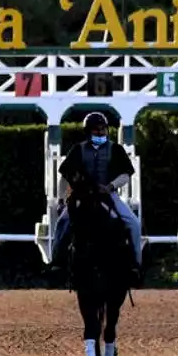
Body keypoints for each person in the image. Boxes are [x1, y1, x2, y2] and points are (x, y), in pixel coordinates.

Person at [52, 112, 143, 275]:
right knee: (62, 222)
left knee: (134, 223)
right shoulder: (78, 150)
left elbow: (125, 175)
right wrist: (60, 200)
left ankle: (136, 264)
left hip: (108, 195)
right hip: (82, 195)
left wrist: (110, 186)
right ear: (88, 132)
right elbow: (65, 176)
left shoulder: (116, 149)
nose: (101, 133)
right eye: (96, 130)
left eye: (103, 129)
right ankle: (56, 262)